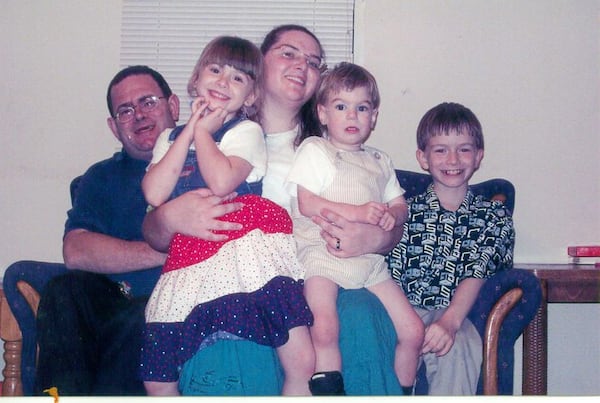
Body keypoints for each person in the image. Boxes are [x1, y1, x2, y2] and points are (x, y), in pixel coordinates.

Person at [142, 24, 406, 396]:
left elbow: (388, 210)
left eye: (314, 62)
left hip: (322, 274)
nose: (302, 65)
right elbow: (152, 227)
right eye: (289, 53)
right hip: (226, 278)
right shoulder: (207, 139)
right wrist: (170, 217)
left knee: (360, 314)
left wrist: (379, 236)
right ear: (258, 65)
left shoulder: (338, 147)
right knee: (232, 333)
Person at [33, 65, 243, 395]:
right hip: (111, 299)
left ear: (173, 106)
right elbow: (75, 251)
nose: (139, 116)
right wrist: (163, 249)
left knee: (143, 318)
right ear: (113, 127)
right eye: (125, 110)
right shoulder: (100, 177)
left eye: (148, 102)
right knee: (64, 290)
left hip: (179, 302)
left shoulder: (214, 160)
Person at [139, 36, 314, 396]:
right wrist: (188, 131)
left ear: (251, 97)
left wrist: (202, 133)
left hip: (244, 249)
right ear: (195, 79)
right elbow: (155, 193)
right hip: (189, 255)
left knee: (297, 354)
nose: (222, 81)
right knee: (156, 377)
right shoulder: (169, 138)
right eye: (215, 70)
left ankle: (298, 389)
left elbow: (221, 181)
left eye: (237, 78)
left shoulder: (246, 132)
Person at [285, 62, 424, 395]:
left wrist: (394, 215)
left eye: (362, 108)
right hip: (322, 255)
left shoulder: (379, 160)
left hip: (371, 262)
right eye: (341, 107)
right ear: (322, 114)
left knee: (414, 330)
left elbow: (400, 203)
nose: (352, 116)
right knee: (324, 326)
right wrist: (359, 212)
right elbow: (307, 204)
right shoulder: (316, 150)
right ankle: (330, 390)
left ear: (374, 117)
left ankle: (404, 390)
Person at [387, 102, 515, 395]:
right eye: (441, 149)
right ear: (423, 157)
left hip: (452, 313)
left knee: (459, 345)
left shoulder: (493, 216)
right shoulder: (402, 212)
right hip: (398, 312)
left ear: (479, 156)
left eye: (464, 149)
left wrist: (450, 322)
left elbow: (478, 269)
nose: (453, 159)